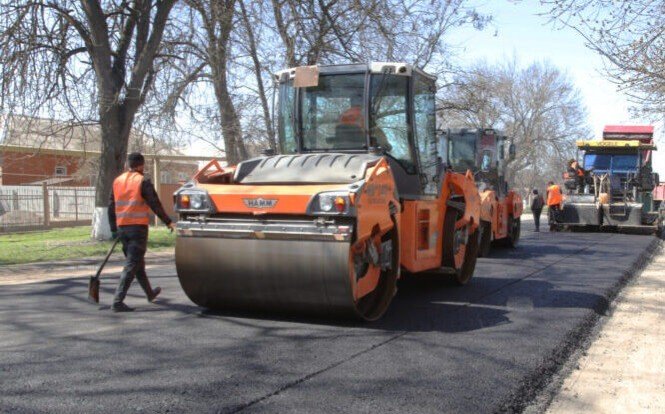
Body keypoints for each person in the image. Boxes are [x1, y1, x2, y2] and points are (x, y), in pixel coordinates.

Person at [108, 152, 176, 312]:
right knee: (132, 264)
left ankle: (150, 293)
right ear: (141, 166)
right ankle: (117, 301)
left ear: (127, 165)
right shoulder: (142, 181)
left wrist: (113, 229)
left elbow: (111, 206)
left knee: (138, 264)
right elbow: (155, 203)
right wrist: (168, 221)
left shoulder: (117, 181)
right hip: (137, 229)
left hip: (122, 228)